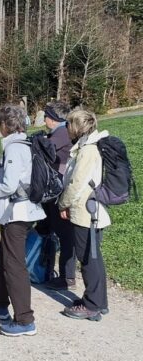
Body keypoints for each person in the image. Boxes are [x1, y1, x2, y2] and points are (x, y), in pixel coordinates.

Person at [0, 104, 46, 337]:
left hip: (18, 213)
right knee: (2, 259)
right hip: (21, 211)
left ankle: (25, 319)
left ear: (4, 125)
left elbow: (8, 186)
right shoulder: (24, 143)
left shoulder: (15, 148)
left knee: (14, 265)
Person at [59, 108, 110, 321]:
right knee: (92, 257)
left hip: (85, 212)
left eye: (69, 124)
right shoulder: (88, 146)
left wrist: (63, 203)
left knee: (88, 258)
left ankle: (92, 305)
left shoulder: (88, 150)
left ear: (76, 126)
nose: (67, 128)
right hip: (91, 210)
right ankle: (99, 301)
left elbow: (77, 183)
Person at [38, 101, 76, 291]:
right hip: (55, 188)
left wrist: (38, 141)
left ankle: (66, 277)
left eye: (46, 115)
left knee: (63, 233)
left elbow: (44, 151)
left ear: (52, 118)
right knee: (50, 228)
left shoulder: (61, 132)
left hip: (58, 190)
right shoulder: (60, 131)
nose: (44, 118)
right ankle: (46, 268)